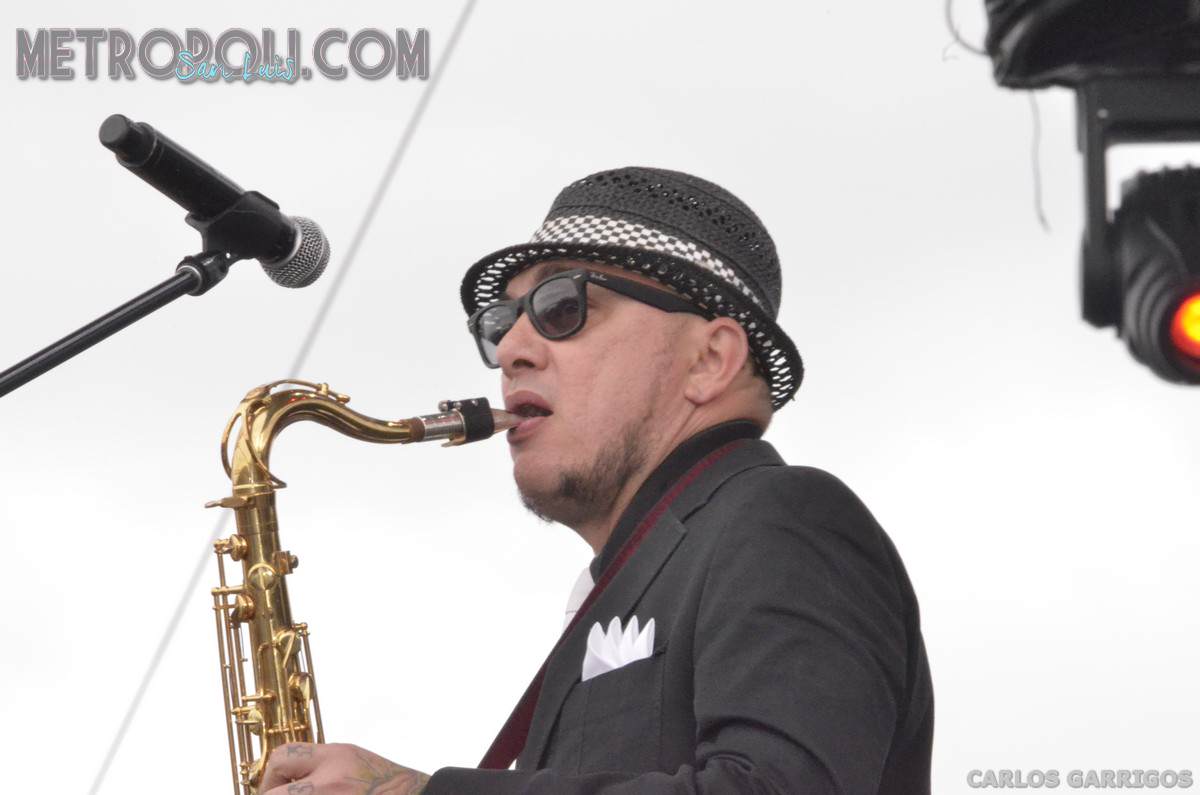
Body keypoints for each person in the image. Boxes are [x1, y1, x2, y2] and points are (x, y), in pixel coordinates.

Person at [261, 167, 934, 794]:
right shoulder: (631, 576)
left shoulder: (784, 516)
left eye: (561, 306)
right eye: (500, 324)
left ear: (710, 359)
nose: (512, 351)